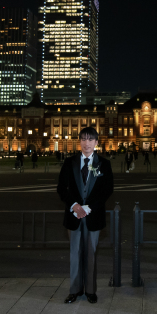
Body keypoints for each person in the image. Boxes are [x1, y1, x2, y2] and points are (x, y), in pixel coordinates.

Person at [56, 127, 114, 304]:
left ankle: (90, 291)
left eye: (90, 140)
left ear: (96, 142)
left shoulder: (104, 164)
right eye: (83, 139)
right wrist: (74, 205)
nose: (86, 143)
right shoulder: (69, 162)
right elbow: (61, 188)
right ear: (79, 141)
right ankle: (74, 290)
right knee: (75, 255)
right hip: (73, 216)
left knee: (91, 254)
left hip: (93, 216)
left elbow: (107, 190)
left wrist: (89, 208)